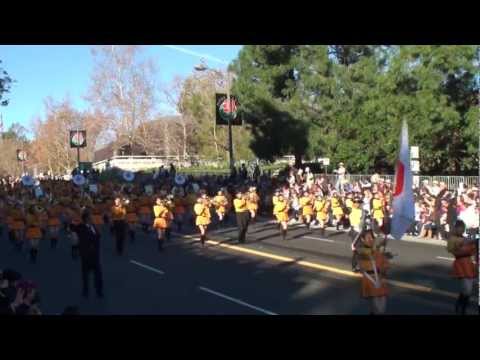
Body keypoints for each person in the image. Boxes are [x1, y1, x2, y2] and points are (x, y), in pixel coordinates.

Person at [446, 220, 477, 315]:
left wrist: (470, 244)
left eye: (463, 228)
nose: (462, 230)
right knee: (466, 290)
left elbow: (473, 251)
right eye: (460, 228)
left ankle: (461, 305)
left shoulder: (465, 239)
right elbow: (455, 252)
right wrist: (466, 245)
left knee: (468, 290)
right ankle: (461, 308)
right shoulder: (452, 239)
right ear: (456, 228)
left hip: (468, 264)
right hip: (460, 265)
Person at [71, 210, 104, 299]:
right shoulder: (80, 227)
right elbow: (72, 229)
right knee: (85, 275)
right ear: (86, 219)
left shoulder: (93, 226)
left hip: (95, 255)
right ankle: (85, 291)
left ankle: (99, 291)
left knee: (98, 274)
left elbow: (97, 236)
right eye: (90, 217)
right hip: (86, 256)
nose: (92, 218)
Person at [357, 230, 389, 315]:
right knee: (379, 309)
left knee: (379, 308)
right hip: (370, 281)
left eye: (372, 237)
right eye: (368, 238)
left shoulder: (376, 250)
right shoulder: (362, 250)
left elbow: (385, 264)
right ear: (362, 239)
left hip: (380, 280)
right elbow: (366, 257)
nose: (371, 239)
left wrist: (383, 256)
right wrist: (379, 249)